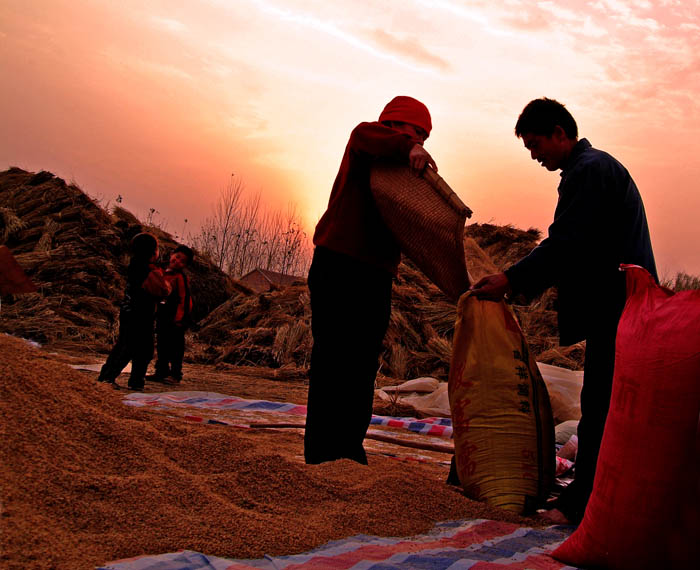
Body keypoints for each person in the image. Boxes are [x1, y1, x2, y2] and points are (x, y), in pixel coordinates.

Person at [470, 97, 657, 524]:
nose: (534, 155)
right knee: (607, 402)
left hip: (621, 306)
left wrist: (510, 280)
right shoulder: (590, 169)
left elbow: (566, 244)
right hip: (623, 305)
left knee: (601, 403)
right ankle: (596, 495)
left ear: (559, 133)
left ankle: (583, 505)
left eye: (536, 144)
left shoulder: (589, 171)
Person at [304, 95, 437, 465]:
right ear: (395, 126)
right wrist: (408, 146)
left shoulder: (404, 171)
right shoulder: (367, 141)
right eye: (416, 134)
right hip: (339, 263)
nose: (420, 142)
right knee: (334, 358)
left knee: (362, 362)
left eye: (424, 138)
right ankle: (320, 454)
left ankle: (349, 449)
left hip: (377, 274)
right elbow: (368, 135)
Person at [97, 232, 171, 391]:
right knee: (135, 349)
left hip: (129, 312)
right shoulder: (148, 271)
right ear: (152, 253)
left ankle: (129, 380)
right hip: (141, 316)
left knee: (129, 347)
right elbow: (163, 290)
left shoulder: (134, 266)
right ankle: (110, 378)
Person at [148, 245, 194, 385]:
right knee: (162, 345)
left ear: (185, 265)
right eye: (177, 257)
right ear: (171, 254)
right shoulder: (160, 271)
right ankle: (161, 372)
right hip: (162, 315)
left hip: (176, 318)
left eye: (182, 261)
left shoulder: (180, 278)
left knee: (175, 348)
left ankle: (175, 375)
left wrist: (180, 319)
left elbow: (184, 299)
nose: (177, 261)